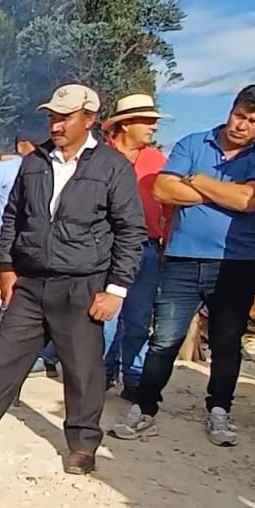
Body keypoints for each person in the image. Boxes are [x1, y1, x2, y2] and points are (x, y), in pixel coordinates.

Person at [0, 84, 144, 474]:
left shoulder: (112, 166)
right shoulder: (35, 161)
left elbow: (130, 231)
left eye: (65, 117)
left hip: (81, 283)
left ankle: (82, 445)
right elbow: (13, 218)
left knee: (82, 369)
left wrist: (116, 289)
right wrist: (6, 268)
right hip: (30, 281)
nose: (55, 125)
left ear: (88, 119)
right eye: (52, 117)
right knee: (2, 358)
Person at [110, 85, 255, 446]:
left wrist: (200, 181)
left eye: (254, 122)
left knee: (226, 341)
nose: (242, 126)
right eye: (239, 115)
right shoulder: (194, 143)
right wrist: (229, 192)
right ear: (232, 108)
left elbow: (250, 200)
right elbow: (162, 190)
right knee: (164, 339)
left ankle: (219, 409)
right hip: (182, 258)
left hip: (236, 262)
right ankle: (145, 407)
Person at [100, 93, 170, 397]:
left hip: (147, 247)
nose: (154, 126)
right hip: (107, 248)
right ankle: (100, 373)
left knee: (139, 317)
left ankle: (134, 376)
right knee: (104, 317)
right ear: (125, 124)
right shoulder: (98, 157)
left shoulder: (158, 160)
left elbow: (169, 206)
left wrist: (167, 242)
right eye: (148, 120)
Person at [0, 124, 57, 377]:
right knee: (21, 296)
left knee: (21, 297)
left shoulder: (39, 167)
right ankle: (23, 357)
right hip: (24, 241)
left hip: (24, 241)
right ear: (22, 145)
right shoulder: (11, 168)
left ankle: (22, 357)